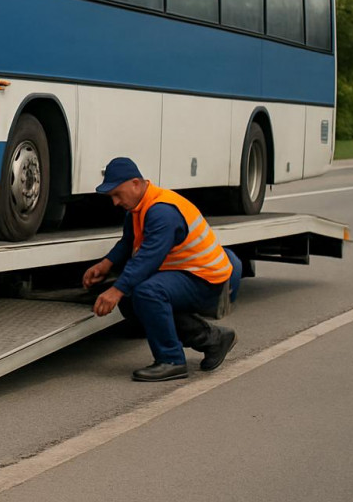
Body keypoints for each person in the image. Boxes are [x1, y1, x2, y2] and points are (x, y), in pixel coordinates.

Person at [83, 157, 242, 381]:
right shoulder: (139, 208)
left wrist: (115, 290)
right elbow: (129, 242)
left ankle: (171, 360)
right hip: (189, 273)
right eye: (111, 197)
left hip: (210, 282)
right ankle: (213, 340)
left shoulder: (162, 211)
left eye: (117, 194)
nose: (115, 202)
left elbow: (148, 257)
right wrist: (105, 264)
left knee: (148, 293)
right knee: (132, 297)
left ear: (135, 184)